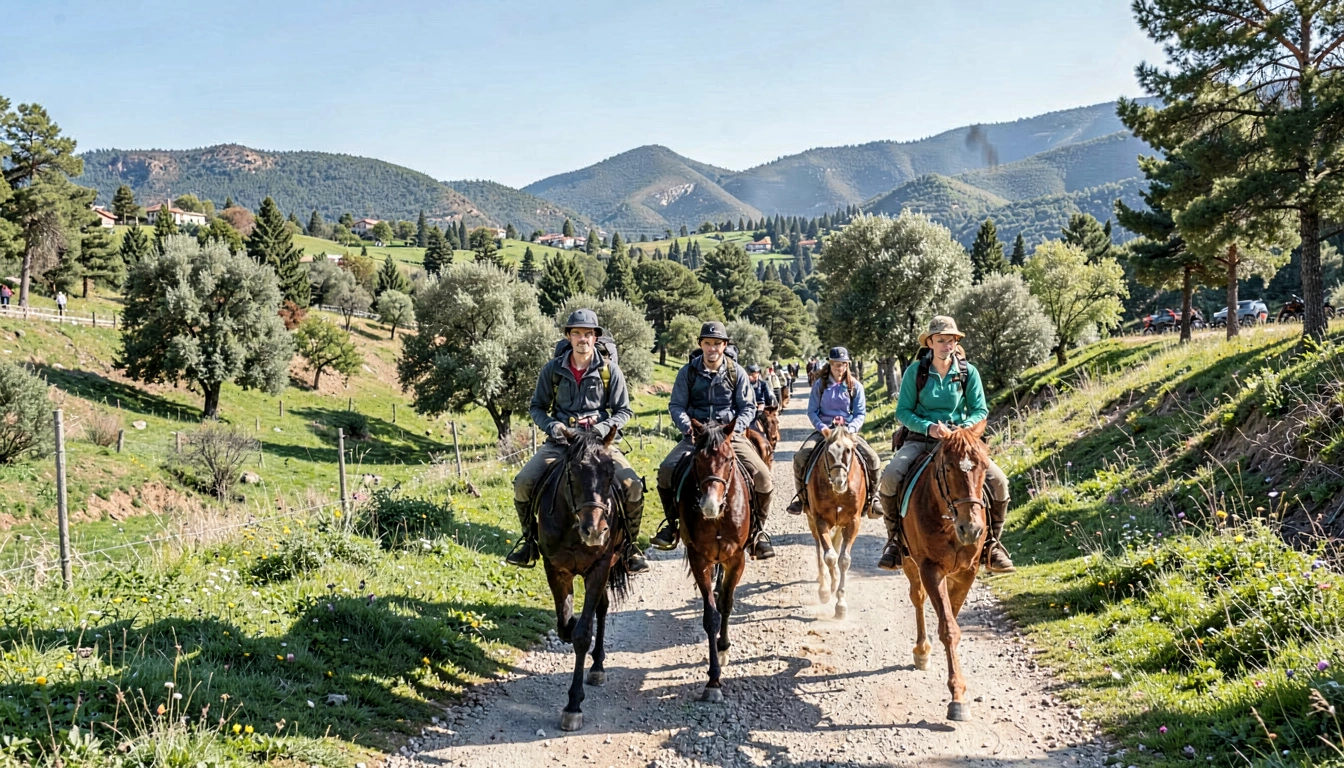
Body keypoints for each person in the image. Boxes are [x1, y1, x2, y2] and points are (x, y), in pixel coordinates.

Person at [507, 309, 649, 573]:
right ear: (568, 337)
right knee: (523, 483)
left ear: (595, 337)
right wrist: (553, 426)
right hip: (562, 443)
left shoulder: (610, 371)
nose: (582, 338)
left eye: (588, 333)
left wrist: (602, 429)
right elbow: (537, 407)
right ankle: (528, 542)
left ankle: (630, 546)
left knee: (633, 487)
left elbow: (624, 411)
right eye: (577, 333)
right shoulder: (552, 370)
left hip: (599, 445)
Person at [876, 316, 1015, 573]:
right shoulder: (915, 372)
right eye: (941, 340)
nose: (946, 345)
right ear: (929, 342)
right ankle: (895, 540)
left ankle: (992, 545)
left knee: (999, 482)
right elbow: (903, 412)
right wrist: (928, 427)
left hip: (959, 443)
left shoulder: (968, 372)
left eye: (951, 340)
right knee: (890, 476)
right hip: (922, 440)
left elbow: (980, 410)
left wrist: (962, 429)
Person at [651, 321, 775, 559]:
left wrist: (735, 429)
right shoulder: (687, 373)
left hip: (729, 436)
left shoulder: (736, 372)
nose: (712, 348)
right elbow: (676, 405)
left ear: (724, 345)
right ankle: (671, 525)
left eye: (717, 343)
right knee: (666, 470)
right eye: (707, 343)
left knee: (763, 477)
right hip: (697, 436)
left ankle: (758, 531)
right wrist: (687, 426)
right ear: (701, 344)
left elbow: (748, 407)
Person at [786, 347, 883, 518]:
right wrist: (822, 428)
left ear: (847, 365)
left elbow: (860, 413)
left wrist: (851, 429)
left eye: (843, 364)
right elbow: (812, 411)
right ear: (830, 364)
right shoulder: (820, 385)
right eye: (836, 364)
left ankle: (872, 498)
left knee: (873, 458)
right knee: (801, 457)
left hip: (847, 432)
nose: (840, 368)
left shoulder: (855, 386)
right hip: (825, 431)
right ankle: (801, 498)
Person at [745, 364, 777, 433]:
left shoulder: (763, 384)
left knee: (768, 422)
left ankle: (768, 434)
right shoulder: (743, 384)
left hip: (760, 405)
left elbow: (768, 397)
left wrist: (767, 407)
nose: (755, 376)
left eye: (756, 374)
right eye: (753, 374)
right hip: (747, 405)